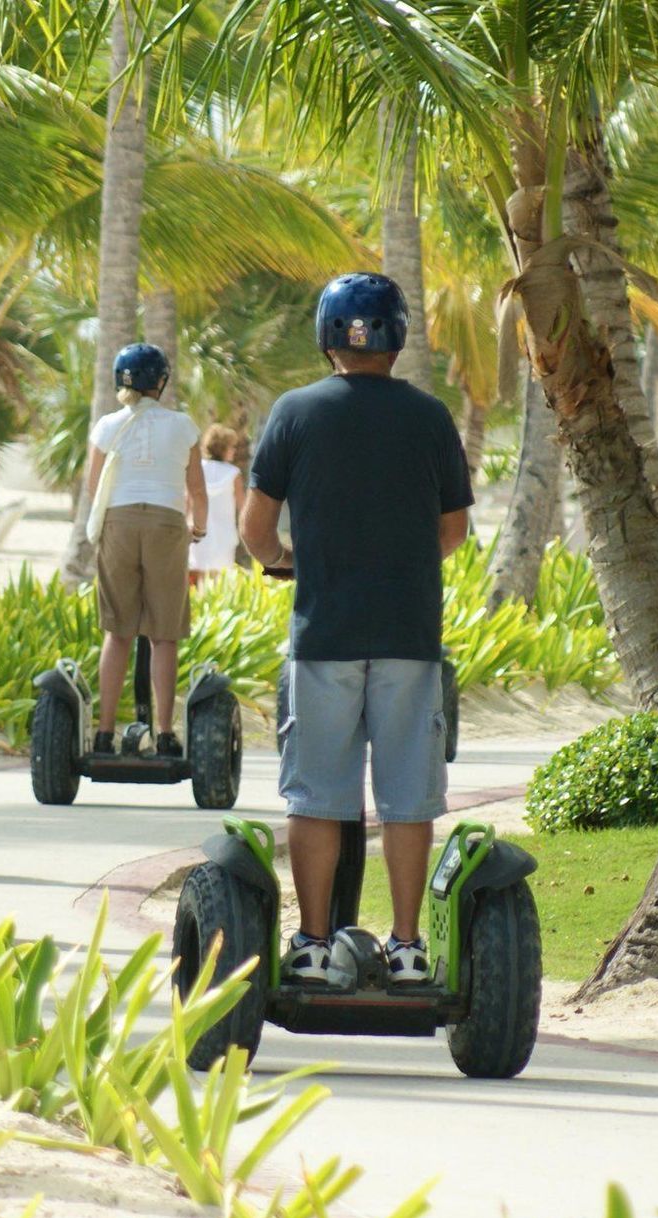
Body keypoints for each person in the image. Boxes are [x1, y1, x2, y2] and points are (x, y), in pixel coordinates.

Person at [238, 272, 473, 986]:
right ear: (396, 337)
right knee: (407, 796)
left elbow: (255, 531)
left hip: (325, 635)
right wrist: (398, 556)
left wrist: (287, 560)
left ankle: (311, 944)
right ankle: (406, 947)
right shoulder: (430, 418)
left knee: (318, 795)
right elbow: (453, 530)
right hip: (407, 632)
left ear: (326, 336)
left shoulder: (294, 411)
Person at [85, 343, 208, 756]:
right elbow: (197, 492)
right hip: (166, 524)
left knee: (117, 633)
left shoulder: (105, 426)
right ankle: (164, 733)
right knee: (163, 636)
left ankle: (103, 734)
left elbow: (92, 488)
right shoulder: (183, 426)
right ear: (161, 381)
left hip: (118, 523)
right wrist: (199, 530)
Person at [188, 425, 247, 584]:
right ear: (222, 448)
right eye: (232, 447)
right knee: (221, 582)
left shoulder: (197, 469)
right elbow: (243, 507)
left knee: (197, 579)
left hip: (198, 532)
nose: (234, 451)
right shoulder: (233, 473)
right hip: (224, 535)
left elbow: (187, 500)